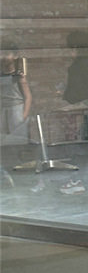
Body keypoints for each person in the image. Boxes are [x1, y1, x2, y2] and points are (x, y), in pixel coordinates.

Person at [0, 38, 33, 185]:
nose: (3, 57)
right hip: (3, 111)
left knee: (17, 143)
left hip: (16, 110)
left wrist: (23, 115)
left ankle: (21, 173)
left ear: (15, 56)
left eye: (7, 54)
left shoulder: (18, 76)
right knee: (3, 143)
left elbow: (28, 97)